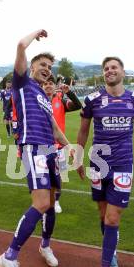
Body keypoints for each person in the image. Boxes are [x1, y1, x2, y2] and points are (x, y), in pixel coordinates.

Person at [0, 29, 70, 267]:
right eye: (42, 64)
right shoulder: (22, 82)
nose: (47, 69)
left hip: (49, 150)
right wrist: (35, 34)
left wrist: (70, 146)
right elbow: (19, 45)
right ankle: (10, 255)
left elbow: (55, 129)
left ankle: (45, 245)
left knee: (51, 201)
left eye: (49, 66)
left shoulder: (45, 97)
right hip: (32, 148)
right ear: (32, 66)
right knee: (40, 203)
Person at [76, 56, 134, 267]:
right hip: (98, 164)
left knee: (112, 220)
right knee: (104, 215)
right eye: (106, 68)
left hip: (123, 165)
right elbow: (84, 130)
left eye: (114, 67)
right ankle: (112, 250)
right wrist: (77, 158)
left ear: (123, 72)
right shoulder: (92, 100)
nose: (109, 71)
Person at [42, 75, 82, 213]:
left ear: (54, 86)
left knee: (59, 176)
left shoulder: (61, 101)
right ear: (42, 86)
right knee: (42, 175)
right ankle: (44, 200)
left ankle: (56, 201)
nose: (48, 85)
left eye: (50, 83)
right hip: (41, 146)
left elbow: (78, 105)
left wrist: (69, 93)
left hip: (59, 146)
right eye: (45, 83)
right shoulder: (36, 102)